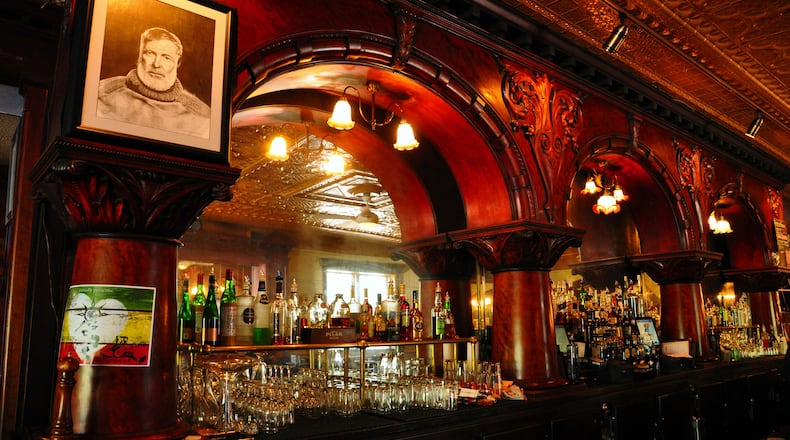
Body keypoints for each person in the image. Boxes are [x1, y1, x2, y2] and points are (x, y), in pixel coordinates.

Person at [97, 27, 210, 138]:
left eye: (166, 58)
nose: (156, 64)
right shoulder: (101, 94)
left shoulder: (203, 118)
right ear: (139, 56)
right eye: (150, 53)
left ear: (178, 63)